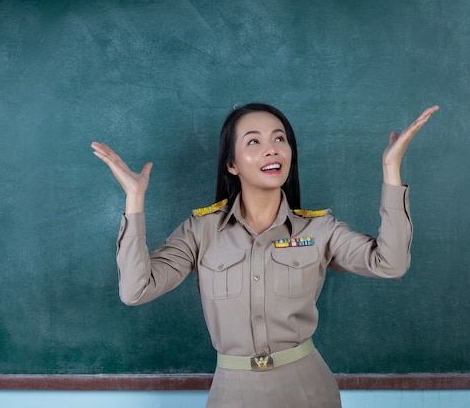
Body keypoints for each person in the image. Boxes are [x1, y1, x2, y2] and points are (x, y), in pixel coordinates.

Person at [91, 103, 438, 408]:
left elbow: (390, 264)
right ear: (232, 164)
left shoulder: (319, 229)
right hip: (232, 393)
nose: (271, 150)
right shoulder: (201, 231)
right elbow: (135, 290)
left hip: (309, 390)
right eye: (254, 141)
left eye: (279, 139)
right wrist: (135, 199)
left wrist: (391, 170)